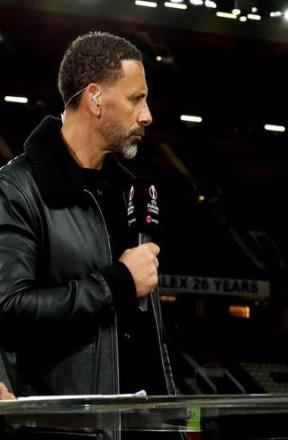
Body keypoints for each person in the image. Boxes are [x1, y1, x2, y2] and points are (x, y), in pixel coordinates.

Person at [0, 31, 175, 396]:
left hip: (141, 419)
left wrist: (180, 415)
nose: (147, 116)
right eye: (136, 99)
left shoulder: (130, 192)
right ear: (94, 98)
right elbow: (10, 309)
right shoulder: (17, 189)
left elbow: (149, 336)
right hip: (64, 421)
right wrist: (117, 283)